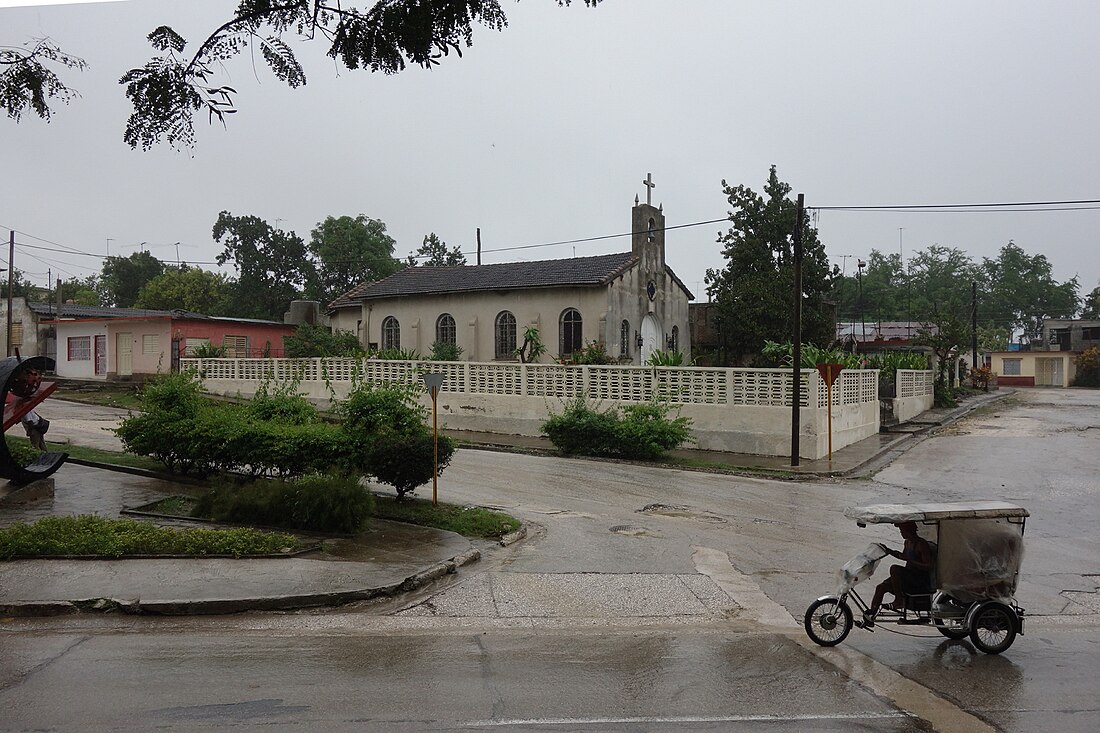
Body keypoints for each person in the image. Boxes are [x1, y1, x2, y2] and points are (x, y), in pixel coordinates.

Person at [863, 521, 933, 627]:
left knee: (894, 568)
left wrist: (911, 561)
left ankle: (899, 600)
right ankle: (871, 616)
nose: (901, 533)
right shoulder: (907, 543)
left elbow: (928, 566)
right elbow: (903, 556)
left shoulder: (921, 544)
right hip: (908, 577)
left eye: (902, 530)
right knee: (881, 587)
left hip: (919, 580)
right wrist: (889, 551)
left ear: (908, 530)